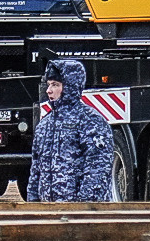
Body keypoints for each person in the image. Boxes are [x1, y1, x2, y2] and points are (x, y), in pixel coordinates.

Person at [26, 57, 115, 203]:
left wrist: (83, 208)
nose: (48, 91)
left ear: (69, 86)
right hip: (47, 214)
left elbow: (98, 169)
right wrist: (33, 203)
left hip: (79, 215)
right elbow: (36, 169)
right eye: (48, 85)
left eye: (55, 85)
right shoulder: (44, 125)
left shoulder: (90, 121)